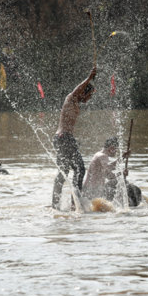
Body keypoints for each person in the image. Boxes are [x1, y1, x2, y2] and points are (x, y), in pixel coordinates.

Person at [51, 67, 97, 209]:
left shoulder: (76, 103)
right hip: (64, 138)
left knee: (64, 171)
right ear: (83, 92)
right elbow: (77, 89)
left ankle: (56, 204)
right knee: (80, 169)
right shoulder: (71, 98)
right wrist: (89, 78)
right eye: (88, 96)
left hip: (62, 139)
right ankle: (74, 204)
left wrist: (91, 83)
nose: (89, 99)